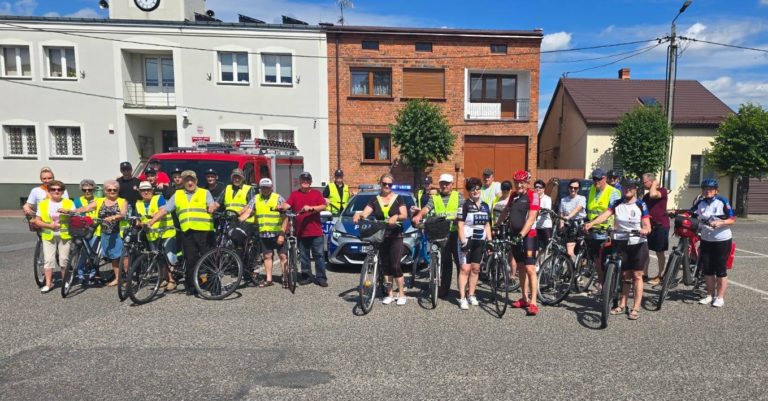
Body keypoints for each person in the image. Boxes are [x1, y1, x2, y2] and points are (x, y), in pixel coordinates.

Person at [585, 179, 651, 320]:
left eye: (631, 187)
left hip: (637, 243)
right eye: (626, 187)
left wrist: (645, 230)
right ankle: (622, 304)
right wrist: (592, 223)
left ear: (635, 189)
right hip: (621, 242)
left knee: (637, 276)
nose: (628, 189)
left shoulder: (641, 204)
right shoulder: (617, 203)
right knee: (625, 275)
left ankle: (636, 307)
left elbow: (647, 224)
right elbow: (605, 214)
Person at [145, 170, 218, 296]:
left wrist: (212, 207)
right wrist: (151, 222)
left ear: (196, 181)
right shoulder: (177, 194)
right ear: (183, 182)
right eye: (187, 180)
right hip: (187, 232)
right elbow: (165, 210)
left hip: (204, 231)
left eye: (192, 180)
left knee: (209, 258)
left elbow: (212, 204)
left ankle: (215, 285)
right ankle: (192, 286)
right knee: (190, 259)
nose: (190, 182)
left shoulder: (204, 192)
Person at [353, 173, 408, 305]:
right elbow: (365, 213)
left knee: (395, 265)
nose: (387, 186)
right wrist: (358, 214)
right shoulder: (374, 199)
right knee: (386, 266)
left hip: (396, 235)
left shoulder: (398, 198)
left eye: (390, 184)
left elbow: (404, 215)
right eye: (384, 184)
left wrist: (396, 217)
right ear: (380, 184)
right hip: (381, 236)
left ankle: (401, 294)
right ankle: (389, 294)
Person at [496, 170, 540, 316]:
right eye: (517, 182)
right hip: (514, 235)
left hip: (529, 236)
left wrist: (521, 235)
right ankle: (524, 298)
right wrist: (496, 225)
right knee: (520, 267)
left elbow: (532, 218)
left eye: (522, 182)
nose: (519, 185)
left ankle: (533, 302)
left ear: (527, 183)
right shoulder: (514, 196)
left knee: (530, 268)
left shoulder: (533, 196)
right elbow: (506, 211)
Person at [412, 173, 463, 298]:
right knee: (446, 263)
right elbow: (426, 208)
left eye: (447, 183)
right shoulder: (434, 197)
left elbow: (462, 210)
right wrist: (419, 215)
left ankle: (462, 291)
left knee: (460, 263)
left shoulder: (459, 196)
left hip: (456, 233)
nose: (444, 186)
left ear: (452, 184)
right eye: (442, 183)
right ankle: (444, 290)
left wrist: (459, 217)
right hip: (441, 232)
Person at [71, 179, 128, 287]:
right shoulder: (99, 201)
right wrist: (72, 211)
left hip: (118, 233)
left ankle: (126, 278)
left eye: (114, 190)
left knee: (121, 256)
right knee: (112, 257)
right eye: (109, 190)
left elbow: (123, 213)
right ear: (105, 191)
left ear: (118, 190)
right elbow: (86, 208)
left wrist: (114, 217)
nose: (112, 191)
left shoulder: (122, 201)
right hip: (105, 232)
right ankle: (117, 278)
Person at [692, 178, 735, 308]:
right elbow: (691, 213)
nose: (707, 191)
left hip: (721, 239)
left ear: (716, 191)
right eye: (705, 189)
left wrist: (720, 222)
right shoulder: (700, 202)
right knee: (708, 269)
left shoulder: (722, 201)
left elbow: (732, 219)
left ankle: (720, 297)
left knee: (721, 269)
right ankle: (709, 295)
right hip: (706, 239)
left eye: (710, 189)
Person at [240, 176, 287, 288]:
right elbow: (248, 211)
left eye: (267, 187)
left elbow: (285, 217)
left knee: (283, 256)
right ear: (260, 188)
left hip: (277, 233)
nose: (265, 189)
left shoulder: (278, 198)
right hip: (264, 234)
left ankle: (285, 277)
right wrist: (238, 220)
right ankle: (269, 279)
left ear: (271, 187)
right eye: (263, 188)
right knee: (267, 256)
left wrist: (282, 233)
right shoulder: (256, 198)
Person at [283, 171, 329, 287]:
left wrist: (311, 208)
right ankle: (307, 276)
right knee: (304, 256)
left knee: (319, 256)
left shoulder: (316, 193)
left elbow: (324, 206)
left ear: (311, 182)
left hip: (315, 231)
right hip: (301, 231)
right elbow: (287, 205)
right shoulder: (294, 194)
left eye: (307, 180)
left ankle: (321, 278)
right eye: (303, 180)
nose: (305, 182)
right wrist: (281, 206)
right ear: (300, 181)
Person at [135, 181, 178, 291]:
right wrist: (140, 224)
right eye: (143, 190)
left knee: (169, 256)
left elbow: (162, 210)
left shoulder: (159, 198)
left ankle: (172, 280)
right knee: (158, 258)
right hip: (152, 234)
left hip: (166, 232)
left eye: (148, 190)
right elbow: (139, 220)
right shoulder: (138, 203)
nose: (146, 192)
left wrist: (153, 218)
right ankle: (164, 278)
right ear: (139, 192)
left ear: (152, 190)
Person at [456, 177, 492, 310]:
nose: (475, 191)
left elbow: (487, 225)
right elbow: (460, 225)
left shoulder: (486, 206)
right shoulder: (464, 205)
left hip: (480, 240)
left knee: (476, 269)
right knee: (465, 269)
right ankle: (462, 298)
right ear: (468, 192)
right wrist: (463, 241)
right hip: (467, 240)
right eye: (472, 189)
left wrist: (490, 241)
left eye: (477, 188)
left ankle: (471, 294)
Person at [585, 168, 621, 294]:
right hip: (593, 230)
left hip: (607, 231)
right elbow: (589, 209)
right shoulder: (592, 190)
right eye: (594, 179)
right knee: (597, 260)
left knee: (608, 261)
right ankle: (602, 286)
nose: (596, 182)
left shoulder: (614, 192)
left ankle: (613, 287)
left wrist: (616, 228)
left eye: (598, 179)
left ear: (604, 178)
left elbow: (614, 212)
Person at [33, 180, 73, 292]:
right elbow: (37, 221)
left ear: (62, 191)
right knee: (48, 260)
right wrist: (49, 226)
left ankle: (65, 281)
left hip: (64, 235)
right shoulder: (43, 204)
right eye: (53, 189)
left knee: (64, 259)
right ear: (49, 191)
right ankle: (48, 283)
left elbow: (75, 218)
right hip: (48, 235)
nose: (56, 191)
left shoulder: (69, 203)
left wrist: (68, 212)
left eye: (59, 189)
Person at [642, 173, 669, 285]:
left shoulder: (662, 191)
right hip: (648, 226)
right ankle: (644, 274)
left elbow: (654, 194)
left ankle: (660, 275)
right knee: (644, 251)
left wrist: (655, 183)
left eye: (644, 182)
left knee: (659, 252)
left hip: (661, 226)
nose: (643, 184)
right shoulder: (645, 196)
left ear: (652, 181)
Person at [73, 179, 103, 281]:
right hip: (82, 229)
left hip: (96, 229)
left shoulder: (99, 199)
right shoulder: (77, 201)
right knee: (82, 252)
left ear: (93, 189)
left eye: (89, 190)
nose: (87, 192)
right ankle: (80, 272)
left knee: (92, 252)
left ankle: (93, 272)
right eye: (84, 190)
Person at [559, 178, 587, 259]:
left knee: (581, 252)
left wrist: (568, 216)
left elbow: (577, 209)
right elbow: (561, 213)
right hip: (569, 225)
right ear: (568, 188)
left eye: (575, 188)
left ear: (578, 189)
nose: (573, 189)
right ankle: (572, 267)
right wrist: (561, 225)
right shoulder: (563, 200)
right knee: (569, 251)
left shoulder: (582, 198)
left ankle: (580, 266)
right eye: (571, 187)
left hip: (580, 225)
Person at [534, 179, 553, 246]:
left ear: (543, 189)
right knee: (535, 247)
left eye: (540, 187)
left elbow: (546, 211)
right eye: (536, 187)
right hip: (535, 226)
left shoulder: (547, 198)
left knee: (548, 246)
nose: (538, 188)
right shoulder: (533, 198)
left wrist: (536, 211)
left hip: (545, 226)